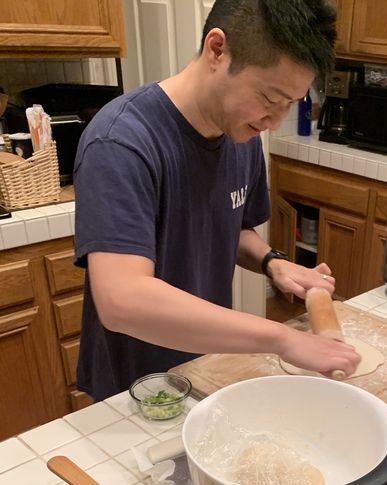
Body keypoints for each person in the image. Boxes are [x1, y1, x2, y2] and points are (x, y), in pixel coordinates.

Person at [74, 0, 360, 402]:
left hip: (206, 365)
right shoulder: (122, 141)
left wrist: (273, 262)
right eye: (268, 98)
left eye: (289, 105)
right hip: (137, 387)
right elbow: (122, 299)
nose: (274, 122)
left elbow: (231, 225)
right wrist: (279, 338)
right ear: (217, 50)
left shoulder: (241, 134)